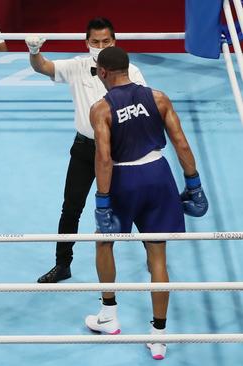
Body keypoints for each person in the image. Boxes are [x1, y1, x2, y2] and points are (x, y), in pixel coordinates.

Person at [85, 46, 208, 360]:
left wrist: (102, 200)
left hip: (124, 181)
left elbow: (103, 158)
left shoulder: (101, 108)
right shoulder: (159, 97)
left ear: (103, 72)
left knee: (104, 244)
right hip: (158, 175)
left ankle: (108, 315)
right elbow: (180, 141)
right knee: (157, 255)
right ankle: (158, 335)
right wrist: (193, 183)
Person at [26, 17, 146, 283]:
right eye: (95, 42)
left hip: (118, 151)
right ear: (86, 42)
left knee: (134, 207)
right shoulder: (77, 66)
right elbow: (43, 67)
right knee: (71, 208)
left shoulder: (132, 71)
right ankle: (62, 264)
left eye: (105, 41)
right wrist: (34, 52)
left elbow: (142, 111)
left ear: (114, 42)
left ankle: (153, 258)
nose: (100, 46)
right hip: (84, 148)